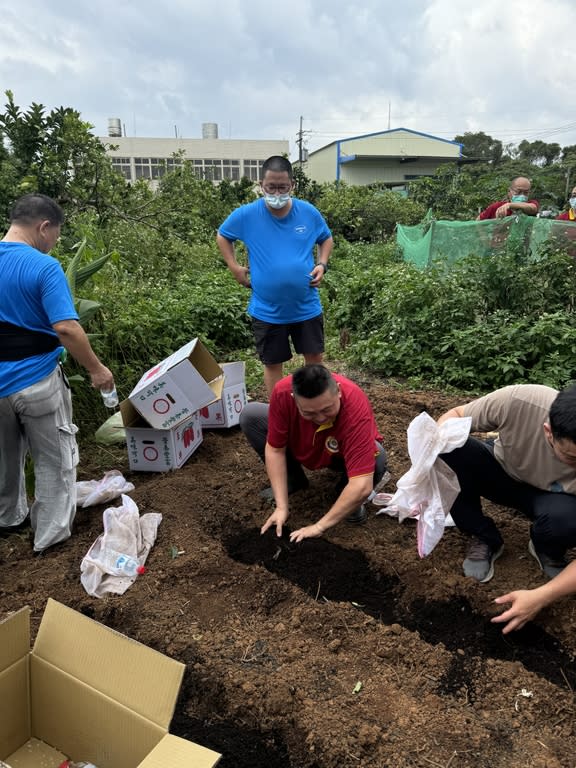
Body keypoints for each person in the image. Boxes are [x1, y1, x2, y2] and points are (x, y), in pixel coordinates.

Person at [0, 193, 114, 553]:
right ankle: (49, 538)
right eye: (55, 235)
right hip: (36, 381)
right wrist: (96, 369)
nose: (53, 243)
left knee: (4, 458)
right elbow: (66, 328)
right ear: (43, 227)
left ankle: (8, 520)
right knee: (54, 460)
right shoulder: (43, 267)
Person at [437, 384, 576, 588]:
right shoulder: (519, 401)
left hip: (556, 497)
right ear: (549, 432)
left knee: (567, 520)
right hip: (503, 473)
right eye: (572, 457)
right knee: (448, 446)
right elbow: (456, 415)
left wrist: (545, 594)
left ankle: (548, 548)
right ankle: (485, 536)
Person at [217, 156, 333, 397]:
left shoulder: (308, 213)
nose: (277, 193)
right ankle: (279, 410)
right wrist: (234, 267)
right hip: (267, 309)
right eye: (271, 187)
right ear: (261, 185)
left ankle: (313, 405)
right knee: (272, 364)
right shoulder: (247, 214)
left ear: (292, 185)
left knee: (314, 359)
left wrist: (322, 264)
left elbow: (326, 237)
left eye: (283, 187)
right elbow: (223, 235)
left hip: (306, 306)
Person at [240, 363, 388, 543]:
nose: (319, 418)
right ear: (294, 398)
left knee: (377, 456)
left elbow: (362, 483)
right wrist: (281, 506)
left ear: (339, 392)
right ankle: (293, 480)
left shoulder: (355, 405)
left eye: (327, 409)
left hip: (339, 454)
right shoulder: (282, 393)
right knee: (251, 415)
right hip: (305, 443)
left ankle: (348, 499)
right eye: (309, 412)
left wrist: (319, 526)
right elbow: (275, 449)